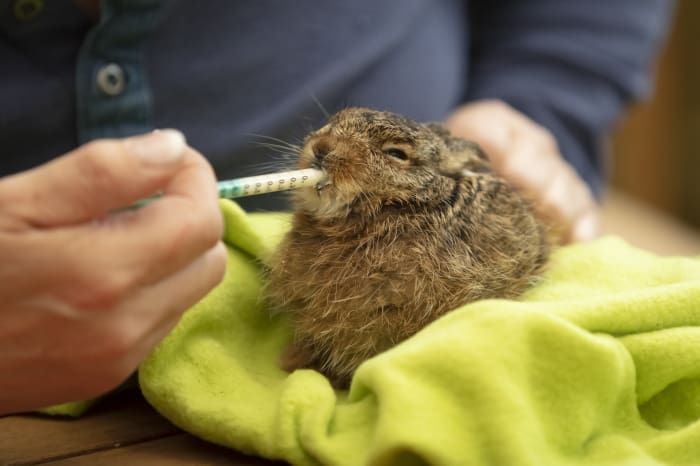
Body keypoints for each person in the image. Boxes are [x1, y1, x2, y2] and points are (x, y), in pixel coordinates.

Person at [0, 0, 674, 414]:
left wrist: (538, 103)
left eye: (397, 159)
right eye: (326, 138)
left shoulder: (453, 248)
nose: (319, 150)